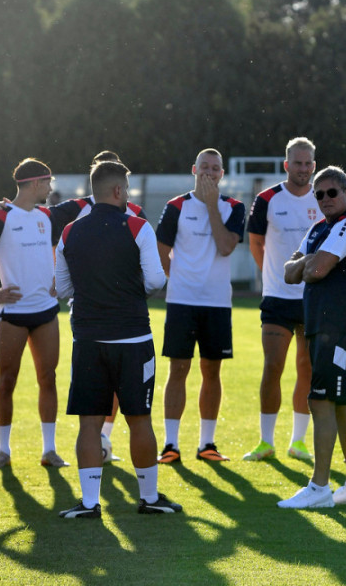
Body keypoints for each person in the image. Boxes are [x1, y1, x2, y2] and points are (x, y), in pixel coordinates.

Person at [55, 160, 181, 518]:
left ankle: (90, 503)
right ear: (117, 190)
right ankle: (149, 498)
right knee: (139, 419)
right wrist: (128, 292)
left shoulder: (69, 232)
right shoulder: (138, 226)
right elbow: (156, 281)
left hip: (88, 340)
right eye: (126, 188)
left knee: (89, 422)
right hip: (133, 339)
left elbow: (62, 288)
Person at [0, 158, 68, 469]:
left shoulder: (46, 215)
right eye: (47, 182)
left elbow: (57, 246)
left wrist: (55, 278)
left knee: (48, 378)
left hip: (46, 312)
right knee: (7, 380)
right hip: (13, 315)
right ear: (34, 183)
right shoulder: (0, 217)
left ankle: (49, 451)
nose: (50, 188)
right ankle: (3, 451)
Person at [278, 166, 346, 508]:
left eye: (332, 192)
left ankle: (319, 487)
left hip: (340, 326)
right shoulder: (319, 228)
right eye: (319, 194)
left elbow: (315, 270)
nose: (325, 199)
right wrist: (311, 261)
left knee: (321, 401)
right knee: (341, 404)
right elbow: (289, 273)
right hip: (323, 324)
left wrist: (310, 262)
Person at [50, 149, 147, 464]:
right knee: (123, 401)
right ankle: (101, 440)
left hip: (104, 321)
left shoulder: (134, 213)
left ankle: (103, 441)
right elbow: (35, 217)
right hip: (108, 320)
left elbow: (145, 261)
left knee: (105, 397)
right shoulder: (76, 209)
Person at [155, 149, 246, 464]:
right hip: (181, 302)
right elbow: (161, 252)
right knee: (178, 369)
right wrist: (181, 281)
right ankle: (170, 444)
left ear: (222, 174)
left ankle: (207, 443)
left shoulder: (234, 207)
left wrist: (210, 205)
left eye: (215, 168)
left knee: (212, 370)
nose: (209, 172)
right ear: (194, 170)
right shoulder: (176, 206)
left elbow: (225, 247)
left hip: (217, 303)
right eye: (204, 167)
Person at [244, 137, 319, 462]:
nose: (302, 168)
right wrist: (272, 276)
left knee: (307, 367)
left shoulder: (324, 197)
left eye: (307, 163)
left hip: (313, 297)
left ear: (313, 166)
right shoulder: (267, 199)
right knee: (273, 366)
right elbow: (255, 243)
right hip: (277, 297)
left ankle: (298, 442)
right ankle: (265, 441)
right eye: (297, 163)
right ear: (287, 164)